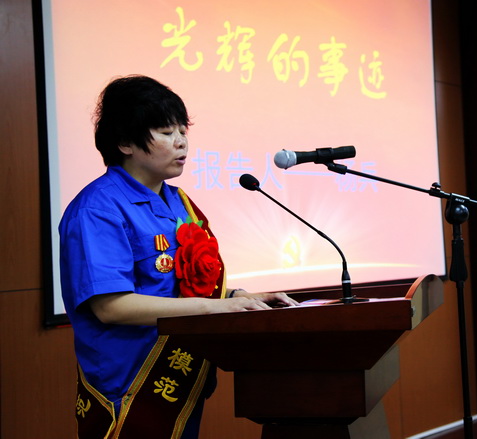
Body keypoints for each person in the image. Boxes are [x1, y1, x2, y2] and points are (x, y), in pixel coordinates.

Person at [59, 75, 298, 439]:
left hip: (182, 379)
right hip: (131, 386)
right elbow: (111, 307)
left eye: (183, 131)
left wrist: (237, 297)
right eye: (166, 132)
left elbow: (175, 287)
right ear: (125, 142)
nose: (181, 142)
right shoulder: (98, 209)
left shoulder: (179, 202)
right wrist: (214, 308)